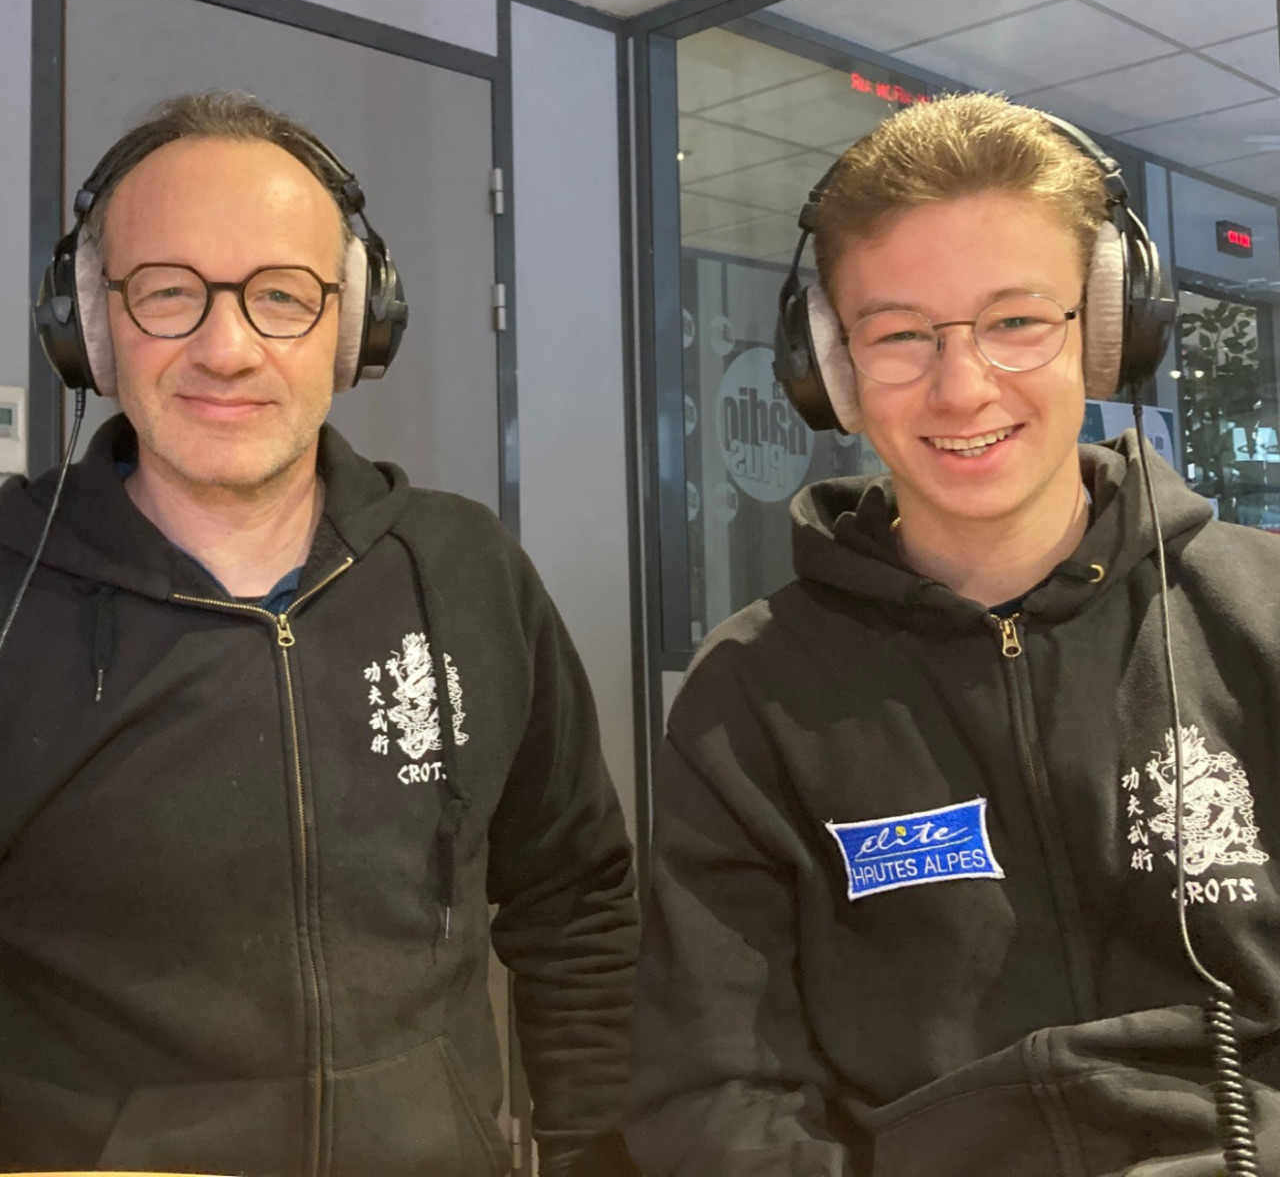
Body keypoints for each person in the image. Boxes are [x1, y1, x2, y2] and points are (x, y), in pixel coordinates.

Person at [625, 93, 1280, 1175]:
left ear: (1105, 331)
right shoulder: (748, 695)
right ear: (830, 367)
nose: (960, 383)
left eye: (1015, 320)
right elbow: (710, 1095)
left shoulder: (1257, 613)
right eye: (898, 334)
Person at [0, 92, 639, 1177]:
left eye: (281, 297)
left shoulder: (465, 566)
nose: (227, 346)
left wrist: (597, 1149)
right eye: (167, 294)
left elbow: (573, 894)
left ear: (352, 327)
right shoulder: (13, 587)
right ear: (92, 327)